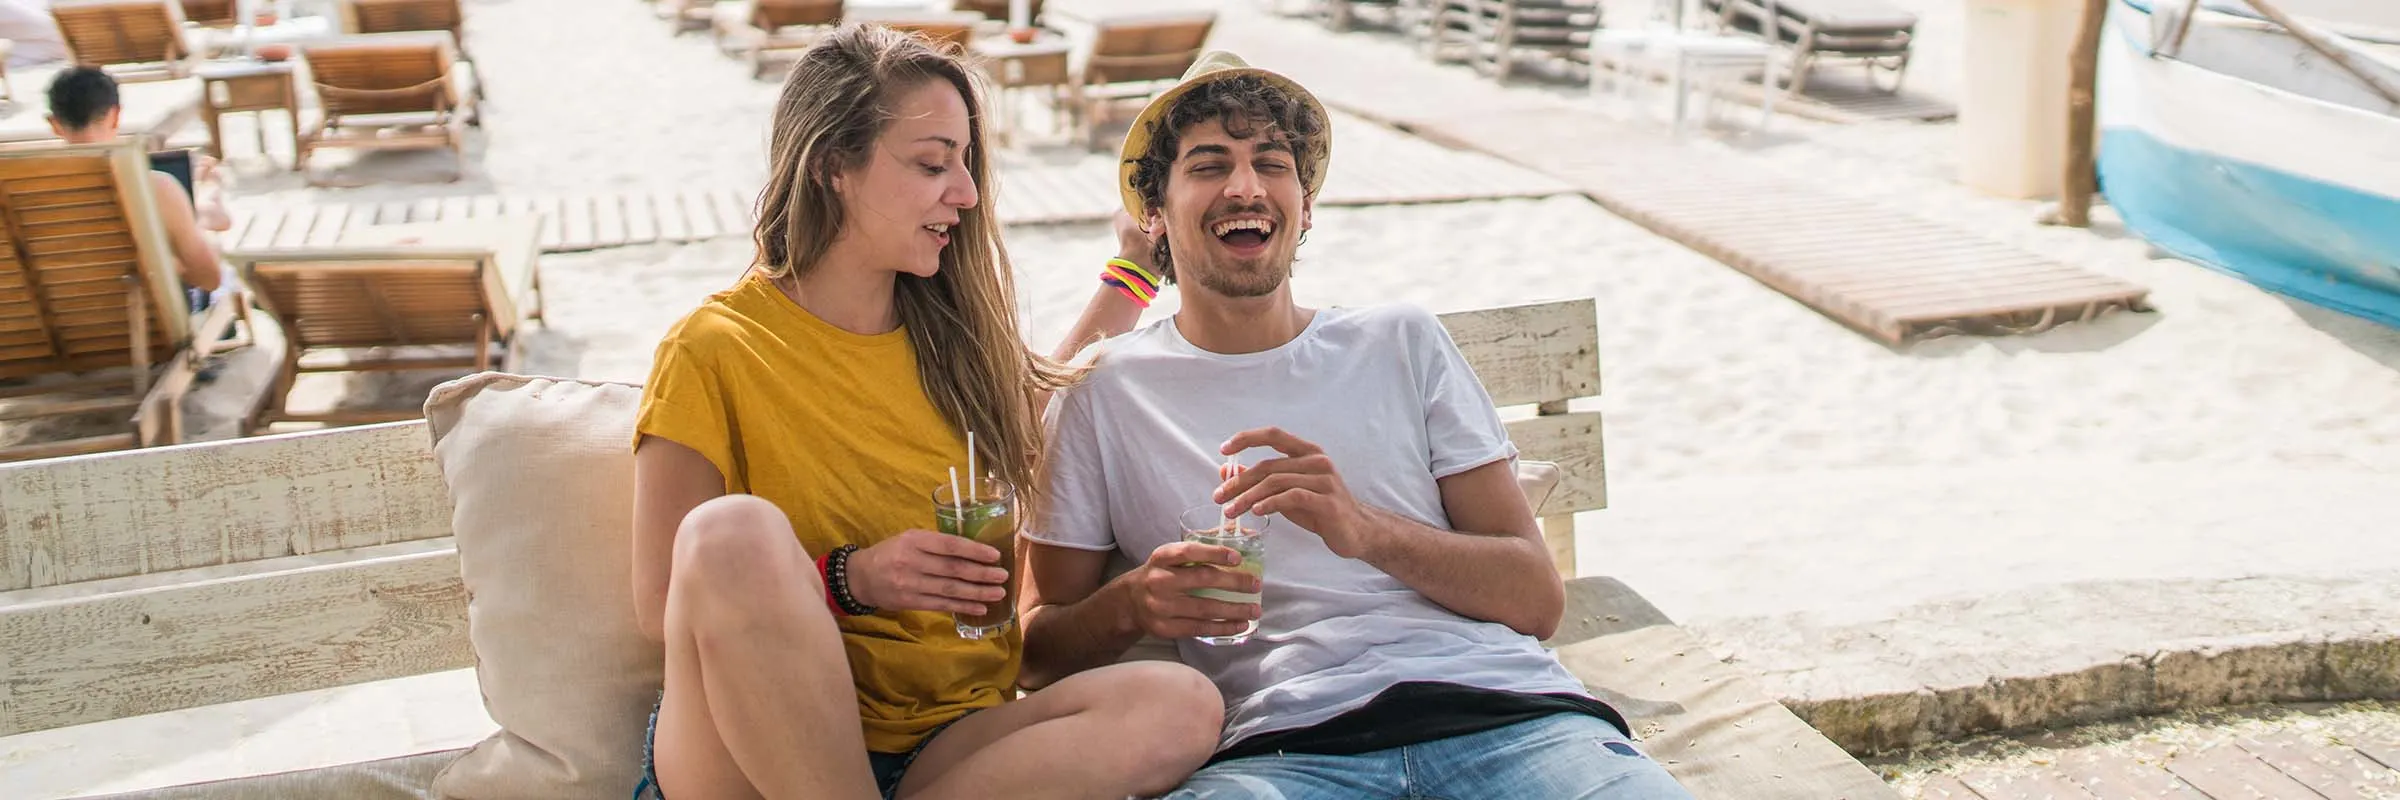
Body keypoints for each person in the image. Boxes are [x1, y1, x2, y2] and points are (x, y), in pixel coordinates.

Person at [1019, 52, 1698, 799]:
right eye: (1209, 165)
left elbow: (1535, 600)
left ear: (1305, 207)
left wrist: (1364, 529)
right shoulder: (1104, 390)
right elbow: (1035, 649)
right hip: (1276, 755)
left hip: (1512, 720)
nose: (1244, 186)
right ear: (1155, 215)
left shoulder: (1400, 340)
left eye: (1271, 164)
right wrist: (1130, 604)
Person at [628, 24, 1218, 800]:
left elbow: (1050, 391)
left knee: (1180, 704)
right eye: (933, 163)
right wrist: (855, 578)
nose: (967, 194)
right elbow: (661, 603)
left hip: (945, 744)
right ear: (833, 166)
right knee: (729, 534)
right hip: (752, 755)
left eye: (966, 164)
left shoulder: (954, 340)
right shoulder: (715, 348)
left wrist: (1134, 271)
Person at [45, 67, 234, 306]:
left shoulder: (21, 193)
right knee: (223, 267)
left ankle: (204, 208)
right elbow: (209, 279)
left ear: (54, 124)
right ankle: (205, 208)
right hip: (144, 332)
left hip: (57, 326)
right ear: (115, 116)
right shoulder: (156, 187)